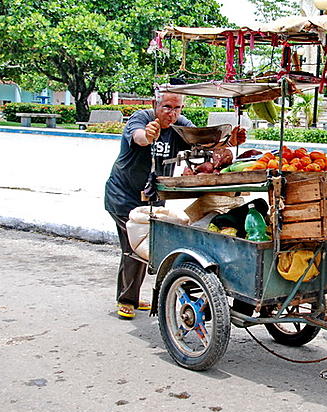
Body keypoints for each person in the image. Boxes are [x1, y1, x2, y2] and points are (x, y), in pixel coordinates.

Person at [104, 91, 246, 319]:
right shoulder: (141, 118)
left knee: (150, 243)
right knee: (133, 246)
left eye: (177, 108)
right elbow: (139, 137)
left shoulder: (180, 125)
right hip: (123, 195)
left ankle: (135, 293)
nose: (172, 113)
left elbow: (201, 141)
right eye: (167, 107)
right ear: (155, 104)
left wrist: (229, 142)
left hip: (152, 196)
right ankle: (126, 299)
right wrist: (148, 136)